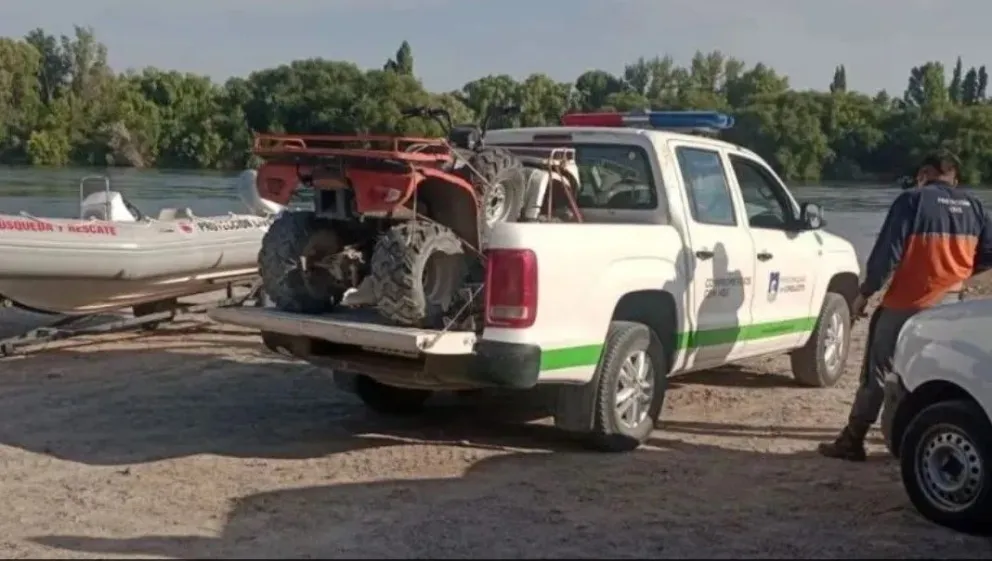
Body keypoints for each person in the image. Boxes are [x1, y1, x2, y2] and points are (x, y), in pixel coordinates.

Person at [818, 150, 992, 461]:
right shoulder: (976, 206)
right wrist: (960, 273)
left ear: (924, 173)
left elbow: (887, 253)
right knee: (937, 369)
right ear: (956, 178)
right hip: (952, 304)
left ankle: (853, 438)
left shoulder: (913, 200)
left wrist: (865, 293)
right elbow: (989, 252)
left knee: (879, 369)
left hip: (907, 303)